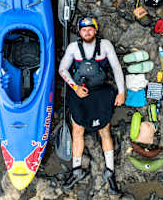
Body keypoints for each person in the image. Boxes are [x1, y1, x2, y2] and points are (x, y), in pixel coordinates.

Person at [59, 17, 125, 194]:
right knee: (77, 131)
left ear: (95, 30)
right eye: (83, 30)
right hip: (80, 91)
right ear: (80, 33)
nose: (87, 32)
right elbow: (62, 69)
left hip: (101, 91)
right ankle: (76, 170)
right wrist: (75, 87)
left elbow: (116, 68)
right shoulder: (74, 48)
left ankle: (110, 172)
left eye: (90, 29)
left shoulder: (105, 45)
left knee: (104, 130)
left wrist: (121, 91)